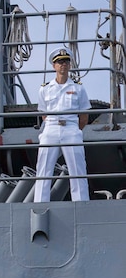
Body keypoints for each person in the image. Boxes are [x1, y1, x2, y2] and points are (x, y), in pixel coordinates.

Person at [36, 47, 91, 202]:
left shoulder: (78, 88)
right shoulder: (45, 89)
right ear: (54, 66)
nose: (63, 65)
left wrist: (72, 129)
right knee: (43, 168)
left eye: (66, 61)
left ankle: (80, 203)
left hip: (71, 129)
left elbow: (84, 117)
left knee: (77, 169)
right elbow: (43, 114)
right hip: (51, 128)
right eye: (59, 62)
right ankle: (40, 203)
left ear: (70, 65)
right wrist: (54, 125)